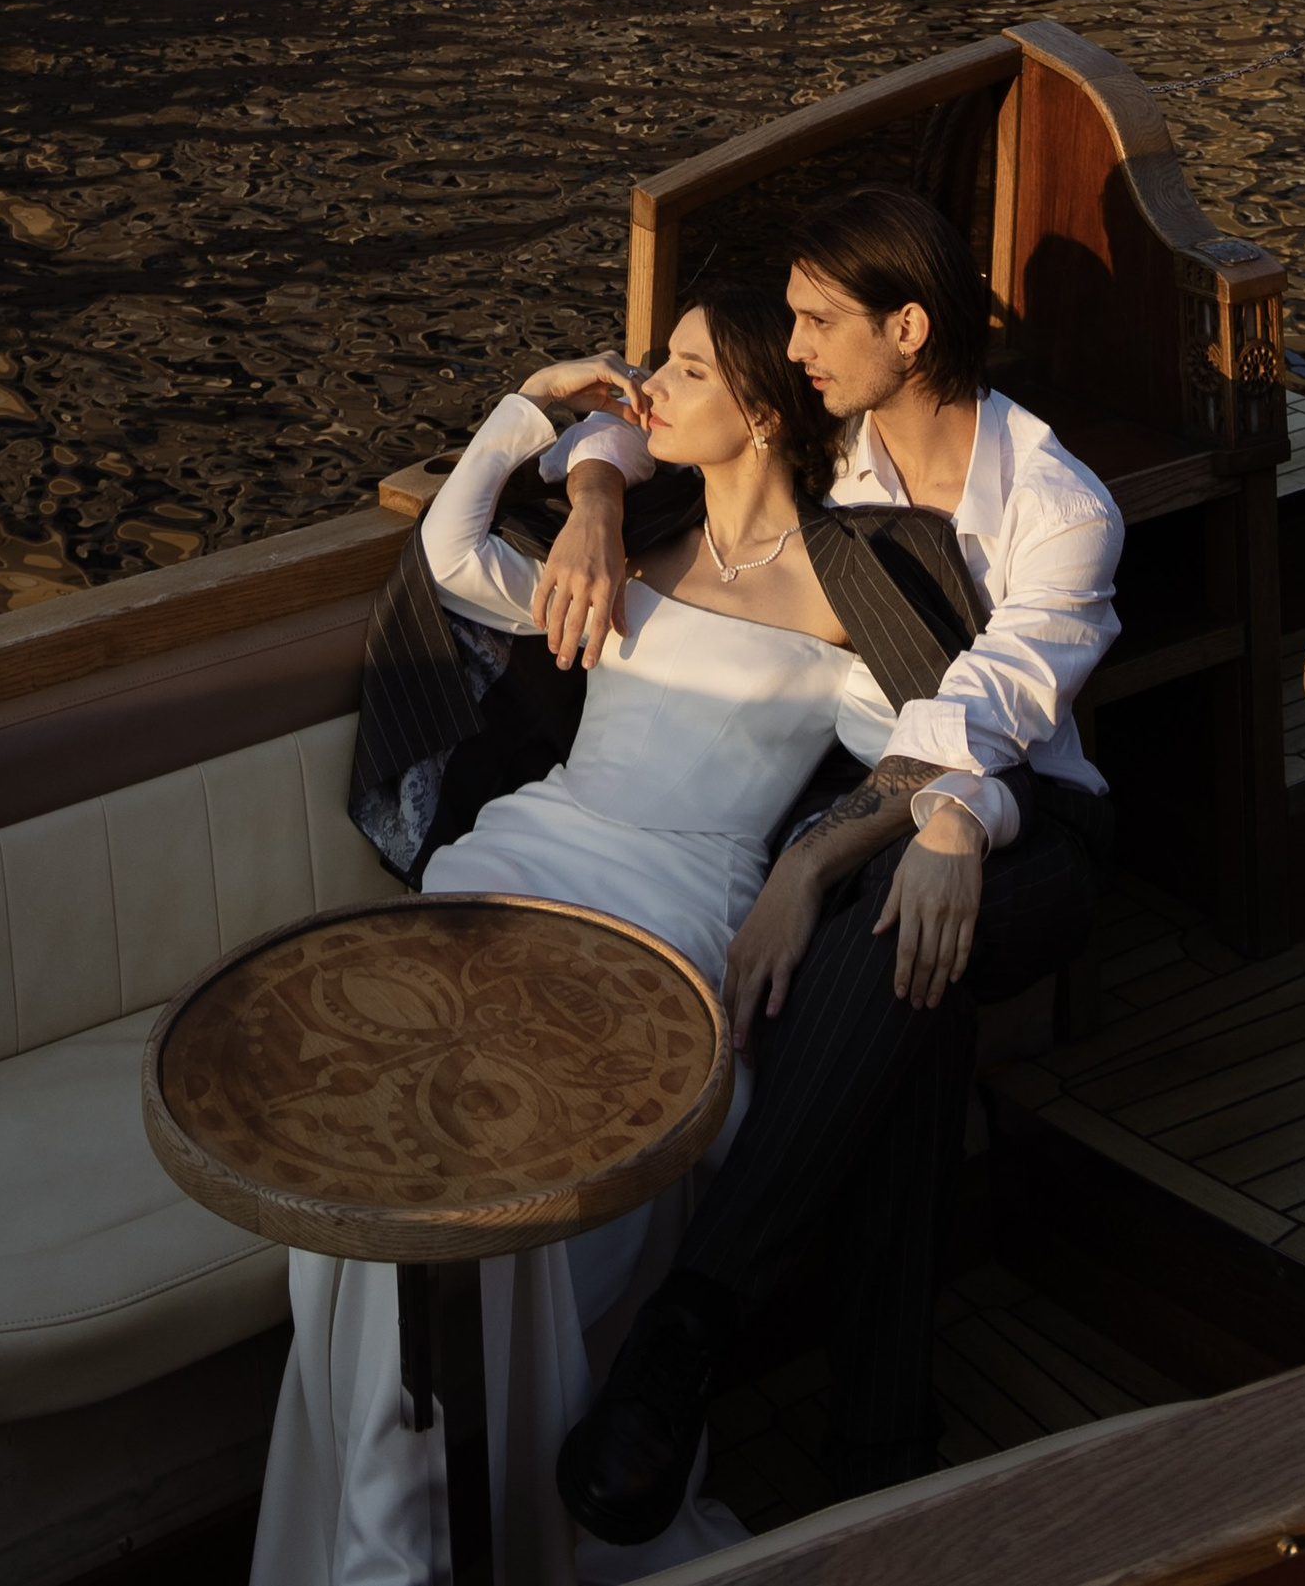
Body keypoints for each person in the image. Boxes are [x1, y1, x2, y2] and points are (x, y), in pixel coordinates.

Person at [253, 283, 1014, 1586]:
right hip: (512, 868)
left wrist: (814, 865)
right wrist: (539, 412)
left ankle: (400, 1550)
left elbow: (945, 755)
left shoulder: (840, 597)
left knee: (497, 1167)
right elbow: (445, 555)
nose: (650, 383)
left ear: (767, 414)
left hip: (668, 919)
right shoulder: (624, 554)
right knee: (384, 1144)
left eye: (687, 370)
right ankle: (401, 1542)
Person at [548, 185, 1124, 1537]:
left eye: (819, 320)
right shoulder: (842, 449)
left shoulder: (1058, 506)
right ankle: (880, 1440)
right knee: (908, 987)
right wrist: (587, 494)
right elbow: (651, 410)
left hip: (1038, 814)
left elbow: (1000, 705)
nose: (796, 344)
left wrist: (868, 849)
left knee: (889, 938)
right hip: (880, 806)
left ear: (907, 329)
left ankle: (685, 1336)